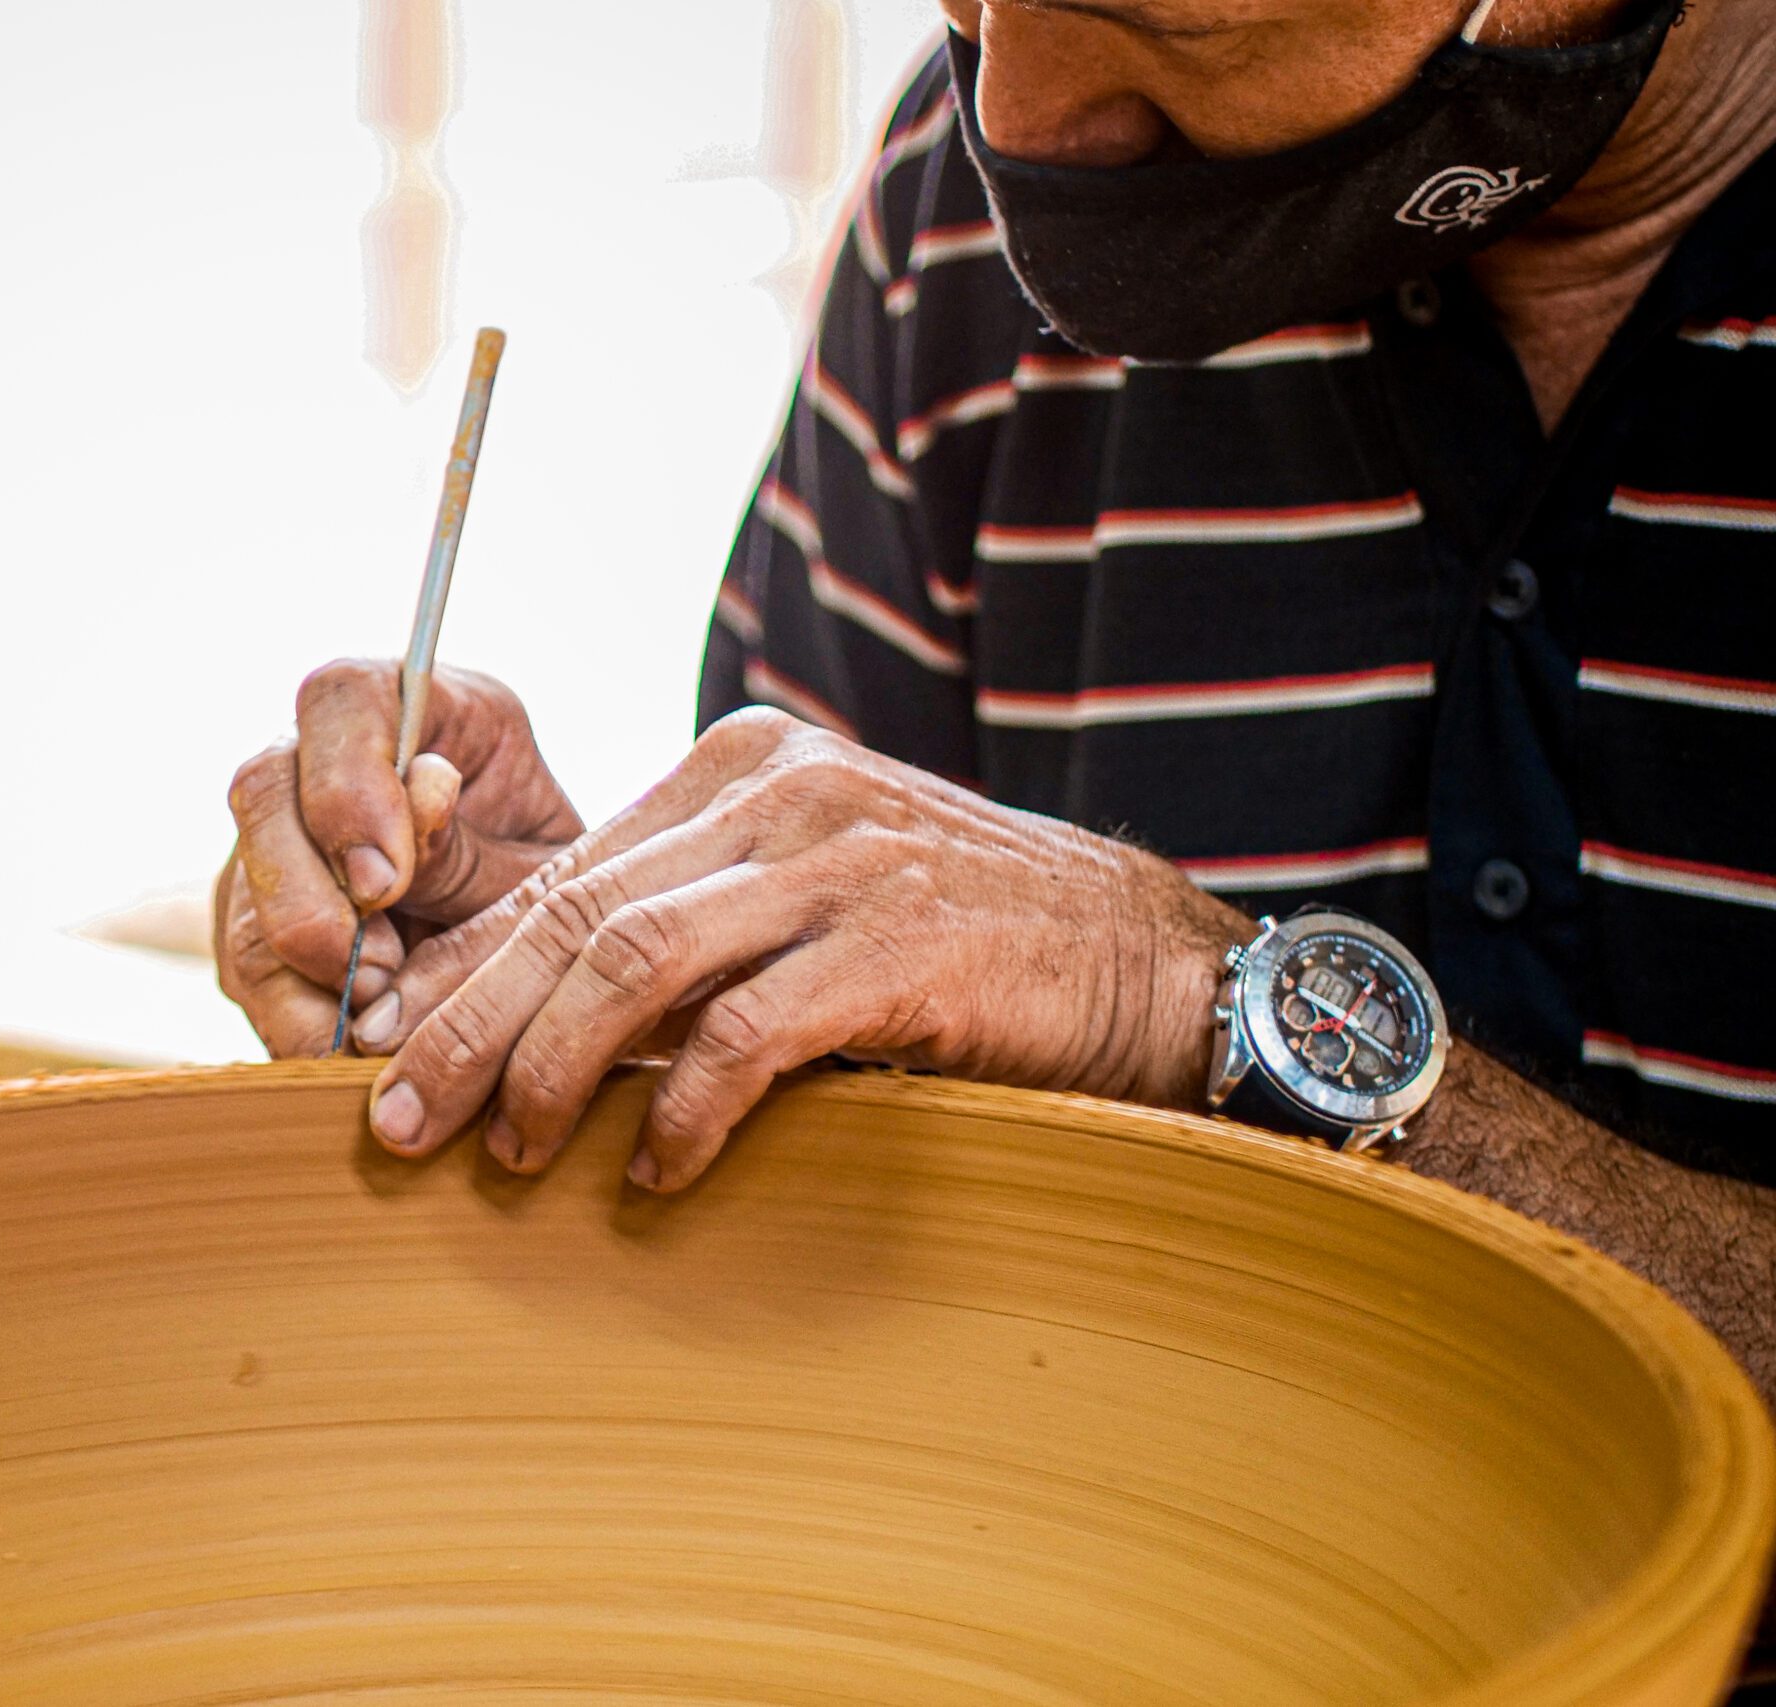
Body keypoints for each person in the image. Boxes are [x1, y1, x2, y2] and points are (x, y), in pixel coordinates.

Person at [217, 0, 1776, 1442]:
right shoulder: (950, 228)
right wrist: (612, 978)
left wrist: (1189, 1002)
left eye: (1154, 7)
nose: (1013, 118)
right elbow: (842, 1188)